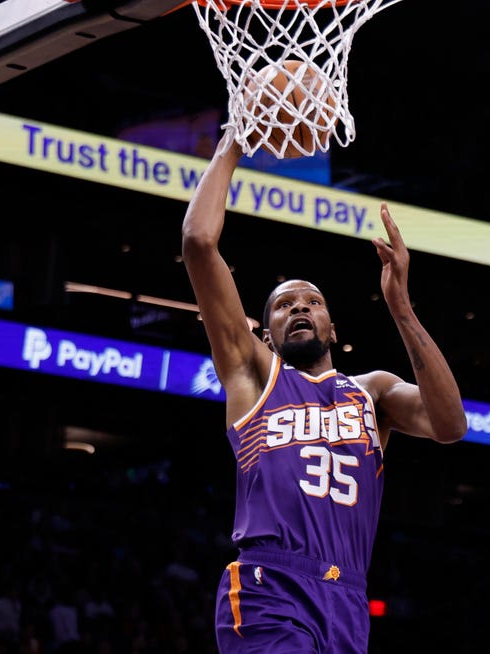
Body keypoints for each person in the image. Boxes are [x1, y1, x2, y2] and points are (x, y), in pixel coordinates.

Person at [181, 131, 468, 654]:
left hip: (347, 600)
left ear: (332, 328)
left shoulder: (372, 393)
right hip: (271, 584)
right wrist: (234, 140)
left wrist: (401, 308)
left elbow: (451, 425)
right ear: (266, 335)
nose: (298, 308)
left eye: (311, 301)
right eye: (284, 305)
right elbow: (199, 242)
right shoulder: (253, 375)